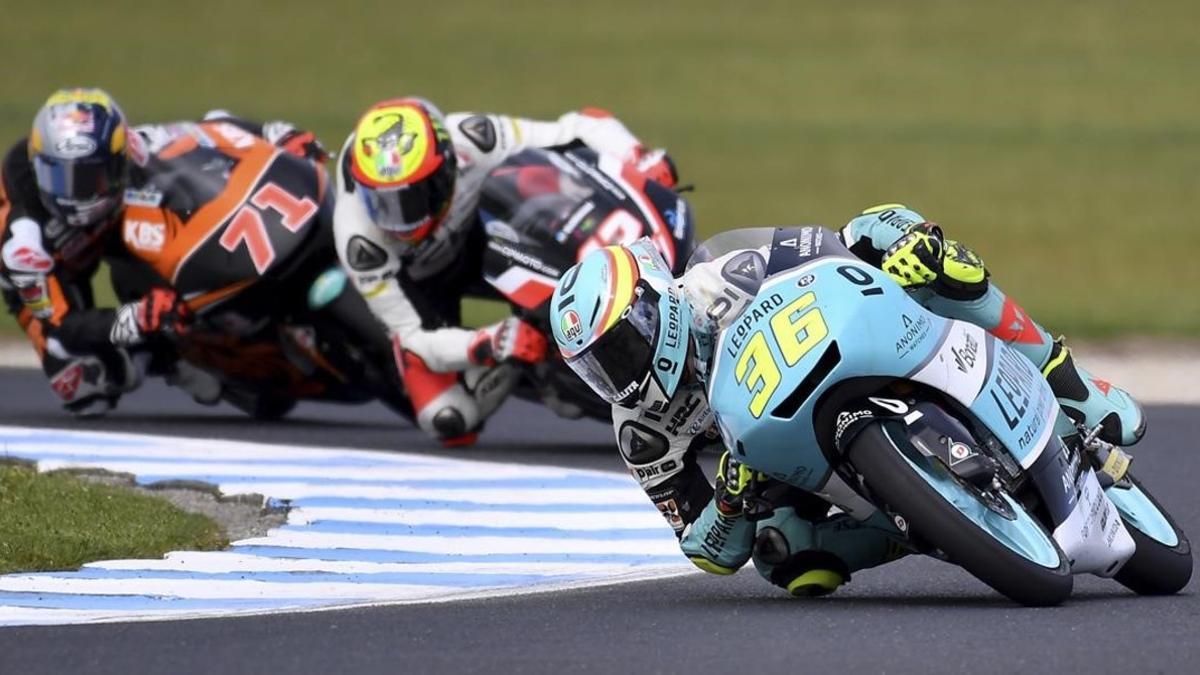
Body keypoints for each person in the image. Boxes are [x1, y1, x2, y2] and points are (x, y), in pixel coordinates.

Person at [548, 204, 1146, 596]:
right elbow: (704, 550)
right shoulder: (641, 434)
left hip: (838, 346)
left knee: (924, 251)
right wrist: (731, 503)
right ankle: (927, 524)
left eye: (622, 347)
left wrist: (890, 246)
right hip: (779, 464)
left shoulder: (722, 273)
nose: (617, 375)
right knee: (782, 557)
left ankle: (1073, 384)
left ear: (657, 300)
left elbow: (830, 245)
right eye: (597, 368)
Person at [332, 97, 677, 445]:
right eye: (381, 201)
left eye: (413, 198)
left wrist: (638, 156)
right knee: (448, 419)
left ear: (447, 165)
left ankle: (600, 282)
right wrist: (488, 342)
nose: (399, 220)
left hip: (487, 238)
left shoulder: (473, 138)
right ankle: (537, 368)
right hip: (423, 288)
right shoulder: (360, 241)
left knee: (536, 175)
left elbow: (582, 125)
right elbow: (413, 339)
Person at [0, 87, 327, 416]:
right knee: (86, 384)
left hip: (114, 228)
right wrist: (137, 317)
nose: (78, 194)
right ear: (38, 166)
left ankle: (214, 310)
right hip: (46, 277)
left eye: (92, 177)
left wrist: (277, 136)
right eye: (61, 178)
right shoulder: (24, 244)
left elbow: (213, 127)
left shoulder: (135, 148)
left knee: (152, 245)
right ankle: (171, 360)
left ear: (121, 157)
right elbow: (63, 324)